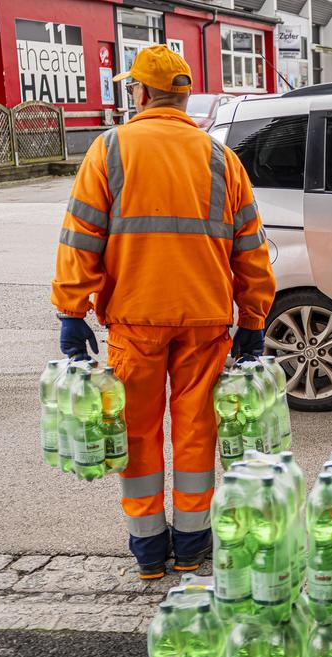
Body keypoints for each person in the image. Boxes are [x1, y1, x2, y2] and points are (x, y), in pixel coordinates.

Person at [51, 45, 275, 579]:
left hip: (136, 318)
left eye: (133, 87)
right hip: (205, 319)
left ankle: (150, 549)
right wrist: (254, 319)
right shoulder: (222, 158)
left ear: (143, 93)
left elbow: (82, 237)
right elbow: (252, 249)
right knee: (196, 429)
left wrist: (71, 309)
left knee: (139, 431)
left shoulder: (110, 150)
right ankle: (194, 543)